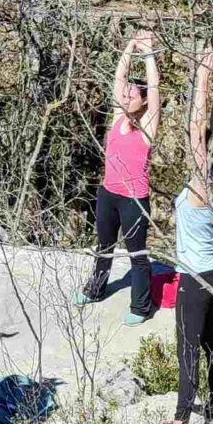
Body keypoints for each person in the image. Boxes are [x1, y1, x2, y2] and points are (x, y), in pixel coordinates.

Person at [154, 49, 213, 424]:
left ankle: (181, 423)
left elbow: (196, 129)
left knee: (189, 347)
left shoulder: (202, 185)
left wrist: (202, 75)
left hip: (196, 276)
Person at [86, 30, 160, 322]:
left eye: (133, 94)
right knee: (103, 246)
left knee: (136, 254)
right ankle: (95, 290)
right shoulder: (118, 118)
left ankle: (140, 307)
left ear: (142, 102)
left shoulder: (148, 127)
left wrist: (149, 54)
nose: (126, 96)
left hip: (133, 200)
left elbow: (154, 89)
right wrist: (130, 46)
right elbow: (119, 78)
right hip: (108, 194)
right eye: (125, 93)